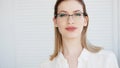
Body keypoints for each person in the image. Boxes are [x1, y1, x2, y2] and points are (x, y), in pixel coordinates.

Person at [40, 0, 119, 68]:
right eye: (63, 15)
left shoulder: (107, 60)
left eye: (77, 14)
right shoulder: (46, 65)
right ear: (55, 21)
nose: (70, 21)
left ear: (85, 20)